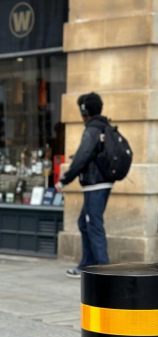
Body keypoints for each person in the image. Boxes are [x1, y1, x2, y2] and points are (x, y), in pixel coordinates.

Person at [56, 92, 112, 278]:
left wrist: (64, 179)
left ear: (84, 111)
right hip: (100, 183)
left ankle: (103, 270)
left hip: (95, 185)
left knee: (93, 224)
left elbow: (82, 157)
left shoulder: (92, 129)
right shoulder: (104, 126)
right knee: (84, 222)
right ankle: (87, 265)